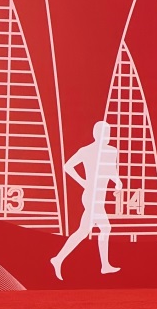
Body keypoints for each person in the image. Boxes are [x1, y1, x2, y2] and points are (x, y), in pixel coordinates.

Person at [49, 120, 123, 280]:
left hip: (100, 196)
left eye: (109, 133)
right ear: (96, 134)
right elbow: (67, 166)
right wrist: (83, 182)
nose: (108, 136)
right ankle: (103, 265)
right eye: (105, 133)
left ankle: (59, 259)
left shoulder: (112, 151)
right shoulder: (86, 151)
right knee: (103, 228)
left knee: (85, 231)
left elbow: (111, 170)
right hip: (91, 196)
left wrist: (118, 182)